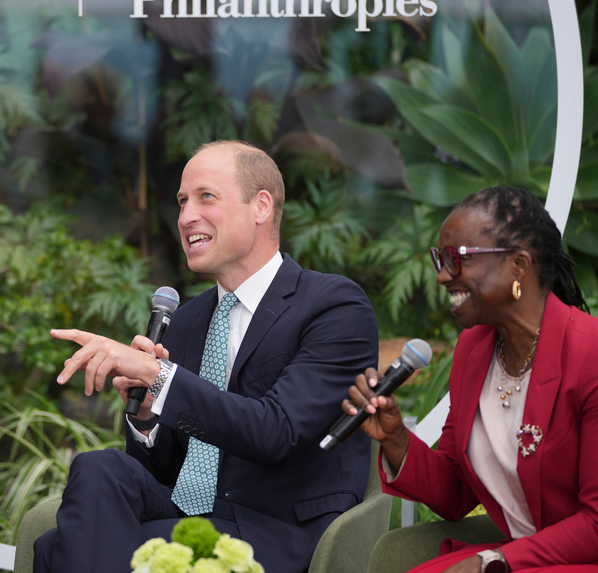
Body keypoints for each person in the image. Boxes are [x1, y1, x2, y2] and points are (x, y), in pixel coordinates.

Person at [33, 141, 379, 573]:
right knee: (98, 466)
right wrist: (145, 421)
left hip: (269, 527)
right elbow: (163, 468)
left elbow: (277, 431)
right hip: (185, 513)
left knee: (57, 550)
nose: (185, 217)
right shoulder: (187, 320)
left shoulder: (333, 305)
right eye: (181, 202)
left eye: (205, 197)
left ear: (261, 206)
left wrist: (158, 375)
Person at [343, 186, 598, 573]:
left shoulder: (589, 355)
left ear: (518, 266)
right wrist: (396, 439)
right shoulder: (474, 350)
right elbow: (457, 493)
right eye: (439, 259)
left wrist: (494, 561)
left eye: (456, 258)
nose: (443, 276)